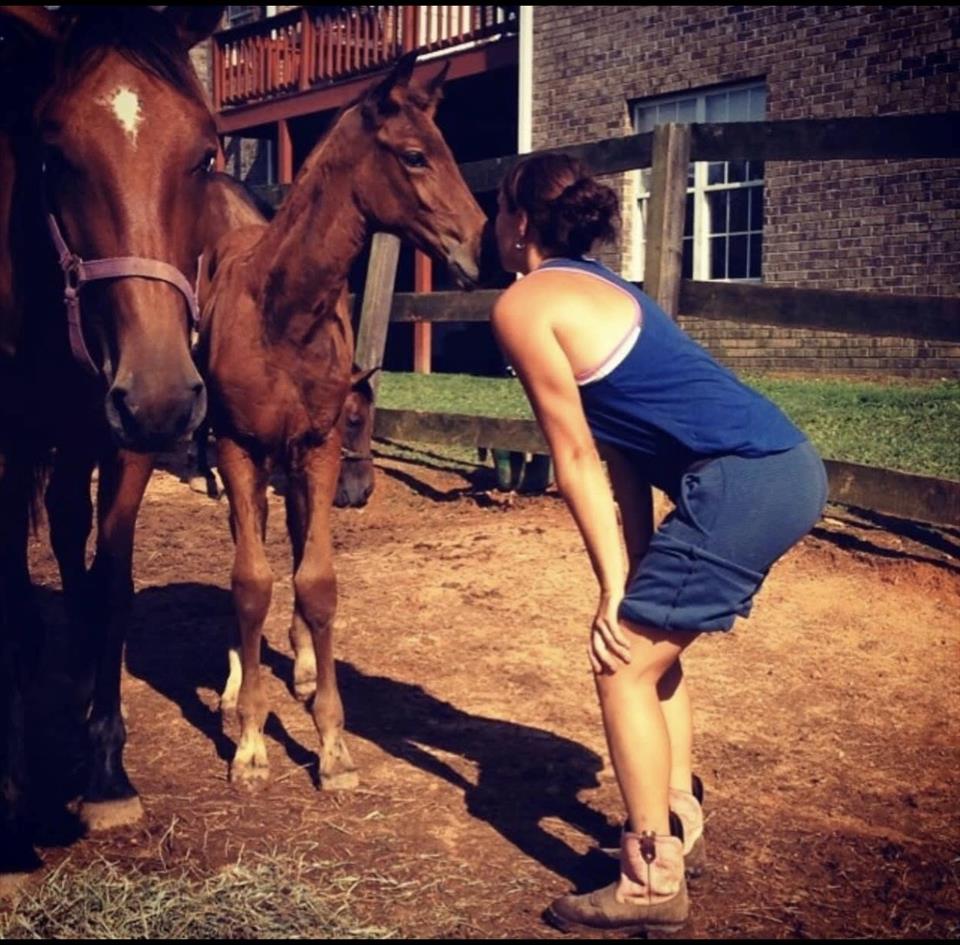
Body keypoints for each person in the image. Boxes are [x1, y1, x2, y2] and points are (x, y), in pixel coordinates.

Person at [490, 153, 828, 934]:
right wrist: (631, 570)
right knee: (650, 650)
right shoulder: (606, 288)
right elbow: (625, 454)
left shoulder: (526, 302)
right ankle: (678, 816)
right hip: (782, 467)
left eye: (498, 210)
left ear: (520, 222)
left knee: (620, 664)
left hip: (742, 480)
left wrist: (613, 591)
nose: (493, 225)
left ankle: (649, 879)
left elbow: (574, 458)